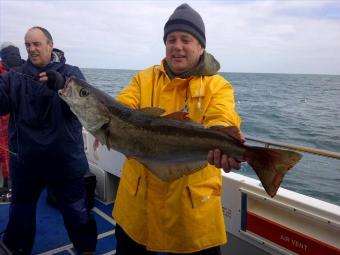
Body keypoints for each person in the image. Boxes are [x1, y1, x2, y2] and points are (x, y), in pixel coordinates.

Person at [112, 3, 243, 255]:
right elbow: (121, 108)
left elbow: (222, 116)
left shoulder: (218, 86)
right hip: (138, 208)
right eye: (171, 39)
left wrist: (224, 135)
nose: (177, 46)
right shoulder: (143, 79)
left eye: (186, 39)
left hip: (191, 213)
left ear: (201, 46)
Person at [0, 26, 97, 254]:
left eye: (36, 44)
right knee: (20, 216)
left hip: (65, 162)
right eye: (27, 45)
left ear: (50, 45)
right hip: (26, 163)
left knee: (78, 214)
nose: (32, 49)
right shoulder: (14, 75)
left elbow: (90, 106)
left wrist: (63, 84)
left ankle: (87, 250)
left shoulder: (72, 73)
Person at [0, 42, 24, 203]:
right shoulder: (25, 67)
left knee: (4, 148)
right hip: (20, 117)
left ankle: (8, 187)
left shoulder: (3, 69)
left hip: (5, 116)